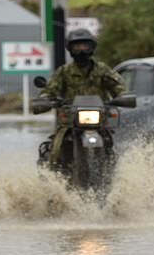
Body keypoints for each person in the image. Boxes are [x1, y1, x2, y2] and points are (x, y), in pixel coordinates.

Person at [39, 28, 126, 167]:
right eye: (77, 46)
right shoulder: (63, 71)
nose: (81, 50)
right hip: (69, 122)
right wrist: (46, 98)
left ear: (92, 47)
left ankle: (111, 174)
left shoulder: (102, 69)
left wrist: (122, 96)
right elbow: (50, 89)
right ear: (70, 49)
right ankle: (53, 179)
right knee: (55, 152)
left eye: (85, 46)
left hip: (99, 120)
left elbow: (118, 87)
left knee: (112, 149)